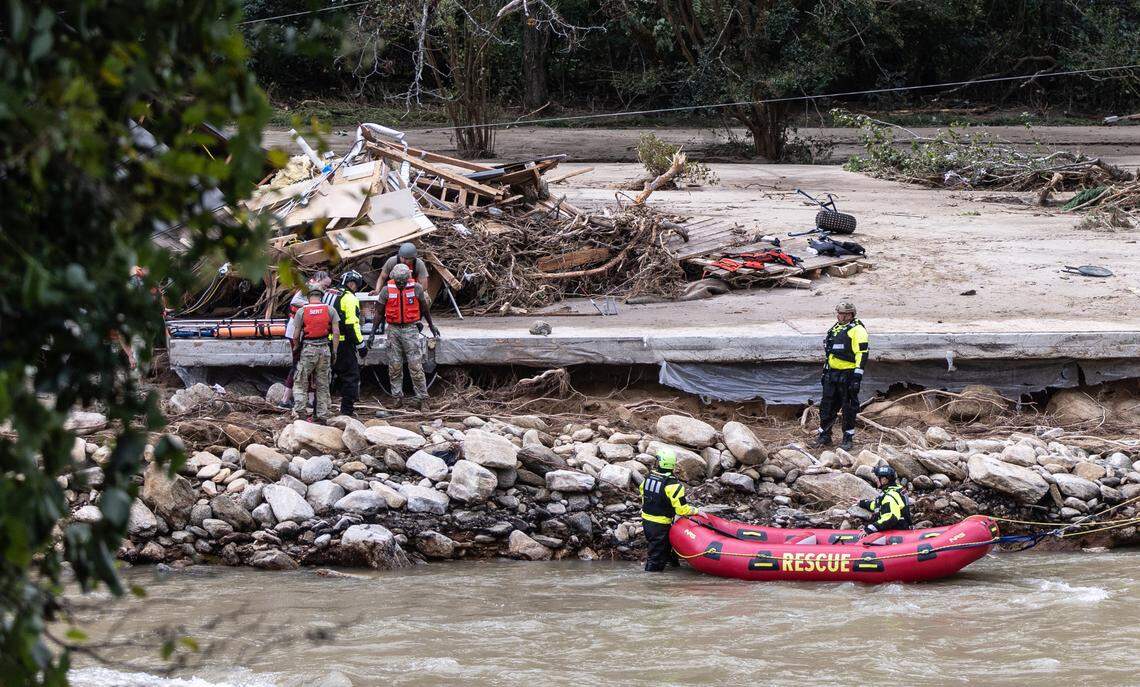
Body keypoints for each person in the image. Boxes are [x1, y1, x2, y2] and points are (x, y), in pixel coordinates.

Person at [381, 263, 438, 410]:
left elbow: (425, 309)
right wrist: (373, 332)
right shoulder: (386, 290)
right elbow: (379, 312)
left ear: (408, 278)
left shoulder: (417, 288)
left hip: (410, 329)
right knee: (394, 366)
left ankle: (423, 398)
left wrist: (431, 326)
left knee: (416, 366)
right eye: (398, 282)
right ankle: (397, 398)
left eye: (403, 282)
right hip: (393, 330)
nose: (400, 285)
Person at [815, 301, 870, 451]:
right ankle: (824, 435)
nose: (838, 316)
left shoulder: (857, 330)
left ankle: (847, 438)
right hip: (832, 374)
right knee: (827, 406)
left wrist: (857, 376)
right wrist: (825, 371)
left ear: (849, 315)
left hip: (848, 375)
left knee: (848, 408)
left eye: (841, 313)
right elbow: (829, 354)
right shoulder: (835, 328)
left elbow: (862, 353)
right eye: (838, 313)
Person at [639, 447, 702, 572]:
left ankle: (673, 568)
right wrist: (697, 511)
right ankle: (651, 581)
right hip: (661, 525)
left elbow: (643, 494)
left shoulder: (648, 478)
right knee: (655, 558)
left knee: (667, 549)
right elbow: (682, 510)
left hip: (646, 522)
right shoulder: (673, 485)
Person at [290, 287, 339, 422]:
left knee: (301, 381)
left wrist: (296, 347)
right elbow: (336, 333)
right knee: (323, 383)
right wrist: (334, 351)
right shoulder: (330, 310)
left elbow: (295, 335)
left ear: (308, 297)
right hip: (324, 349)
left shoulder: (302, 311)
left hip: (308, 348)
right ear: (321, 296)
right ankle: (322, 415)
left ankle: (301, 412)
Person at [283, 271, 330, 405]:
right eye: (325, 286)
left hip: (305, 333)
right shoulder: (309, 288)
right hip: (296, 332)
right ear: (318, 280)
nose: (325, 289)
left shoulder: (316, 292)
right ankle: (285, 399)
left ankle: (311, 399)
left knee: (311, 365)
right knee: (298, 364)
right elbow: (295, 301)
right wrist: (311, 306)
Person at [323, 270, 365, 417]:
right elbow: (352, 324)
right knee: (351, 376)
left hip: (322, 342)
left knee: (324, 376)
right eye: (357, 287)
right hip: (342, 344)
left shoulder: (328, 293)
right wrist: (361, 345)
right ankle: (347, 412)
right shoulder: (349, 298)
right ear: (352, 284)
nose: (356, 290)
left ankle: (320, 410)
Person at [858, 465, 912, 534]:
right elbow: (879, 505)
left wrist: (869, 529)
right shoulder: (897, 489)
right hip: (904, 528)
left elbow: (890, 518)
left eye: (878, 478)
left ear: (884, 479)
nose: (876, 480)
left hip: (897, 533)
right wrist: (862, 503)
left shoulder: (889, 496)